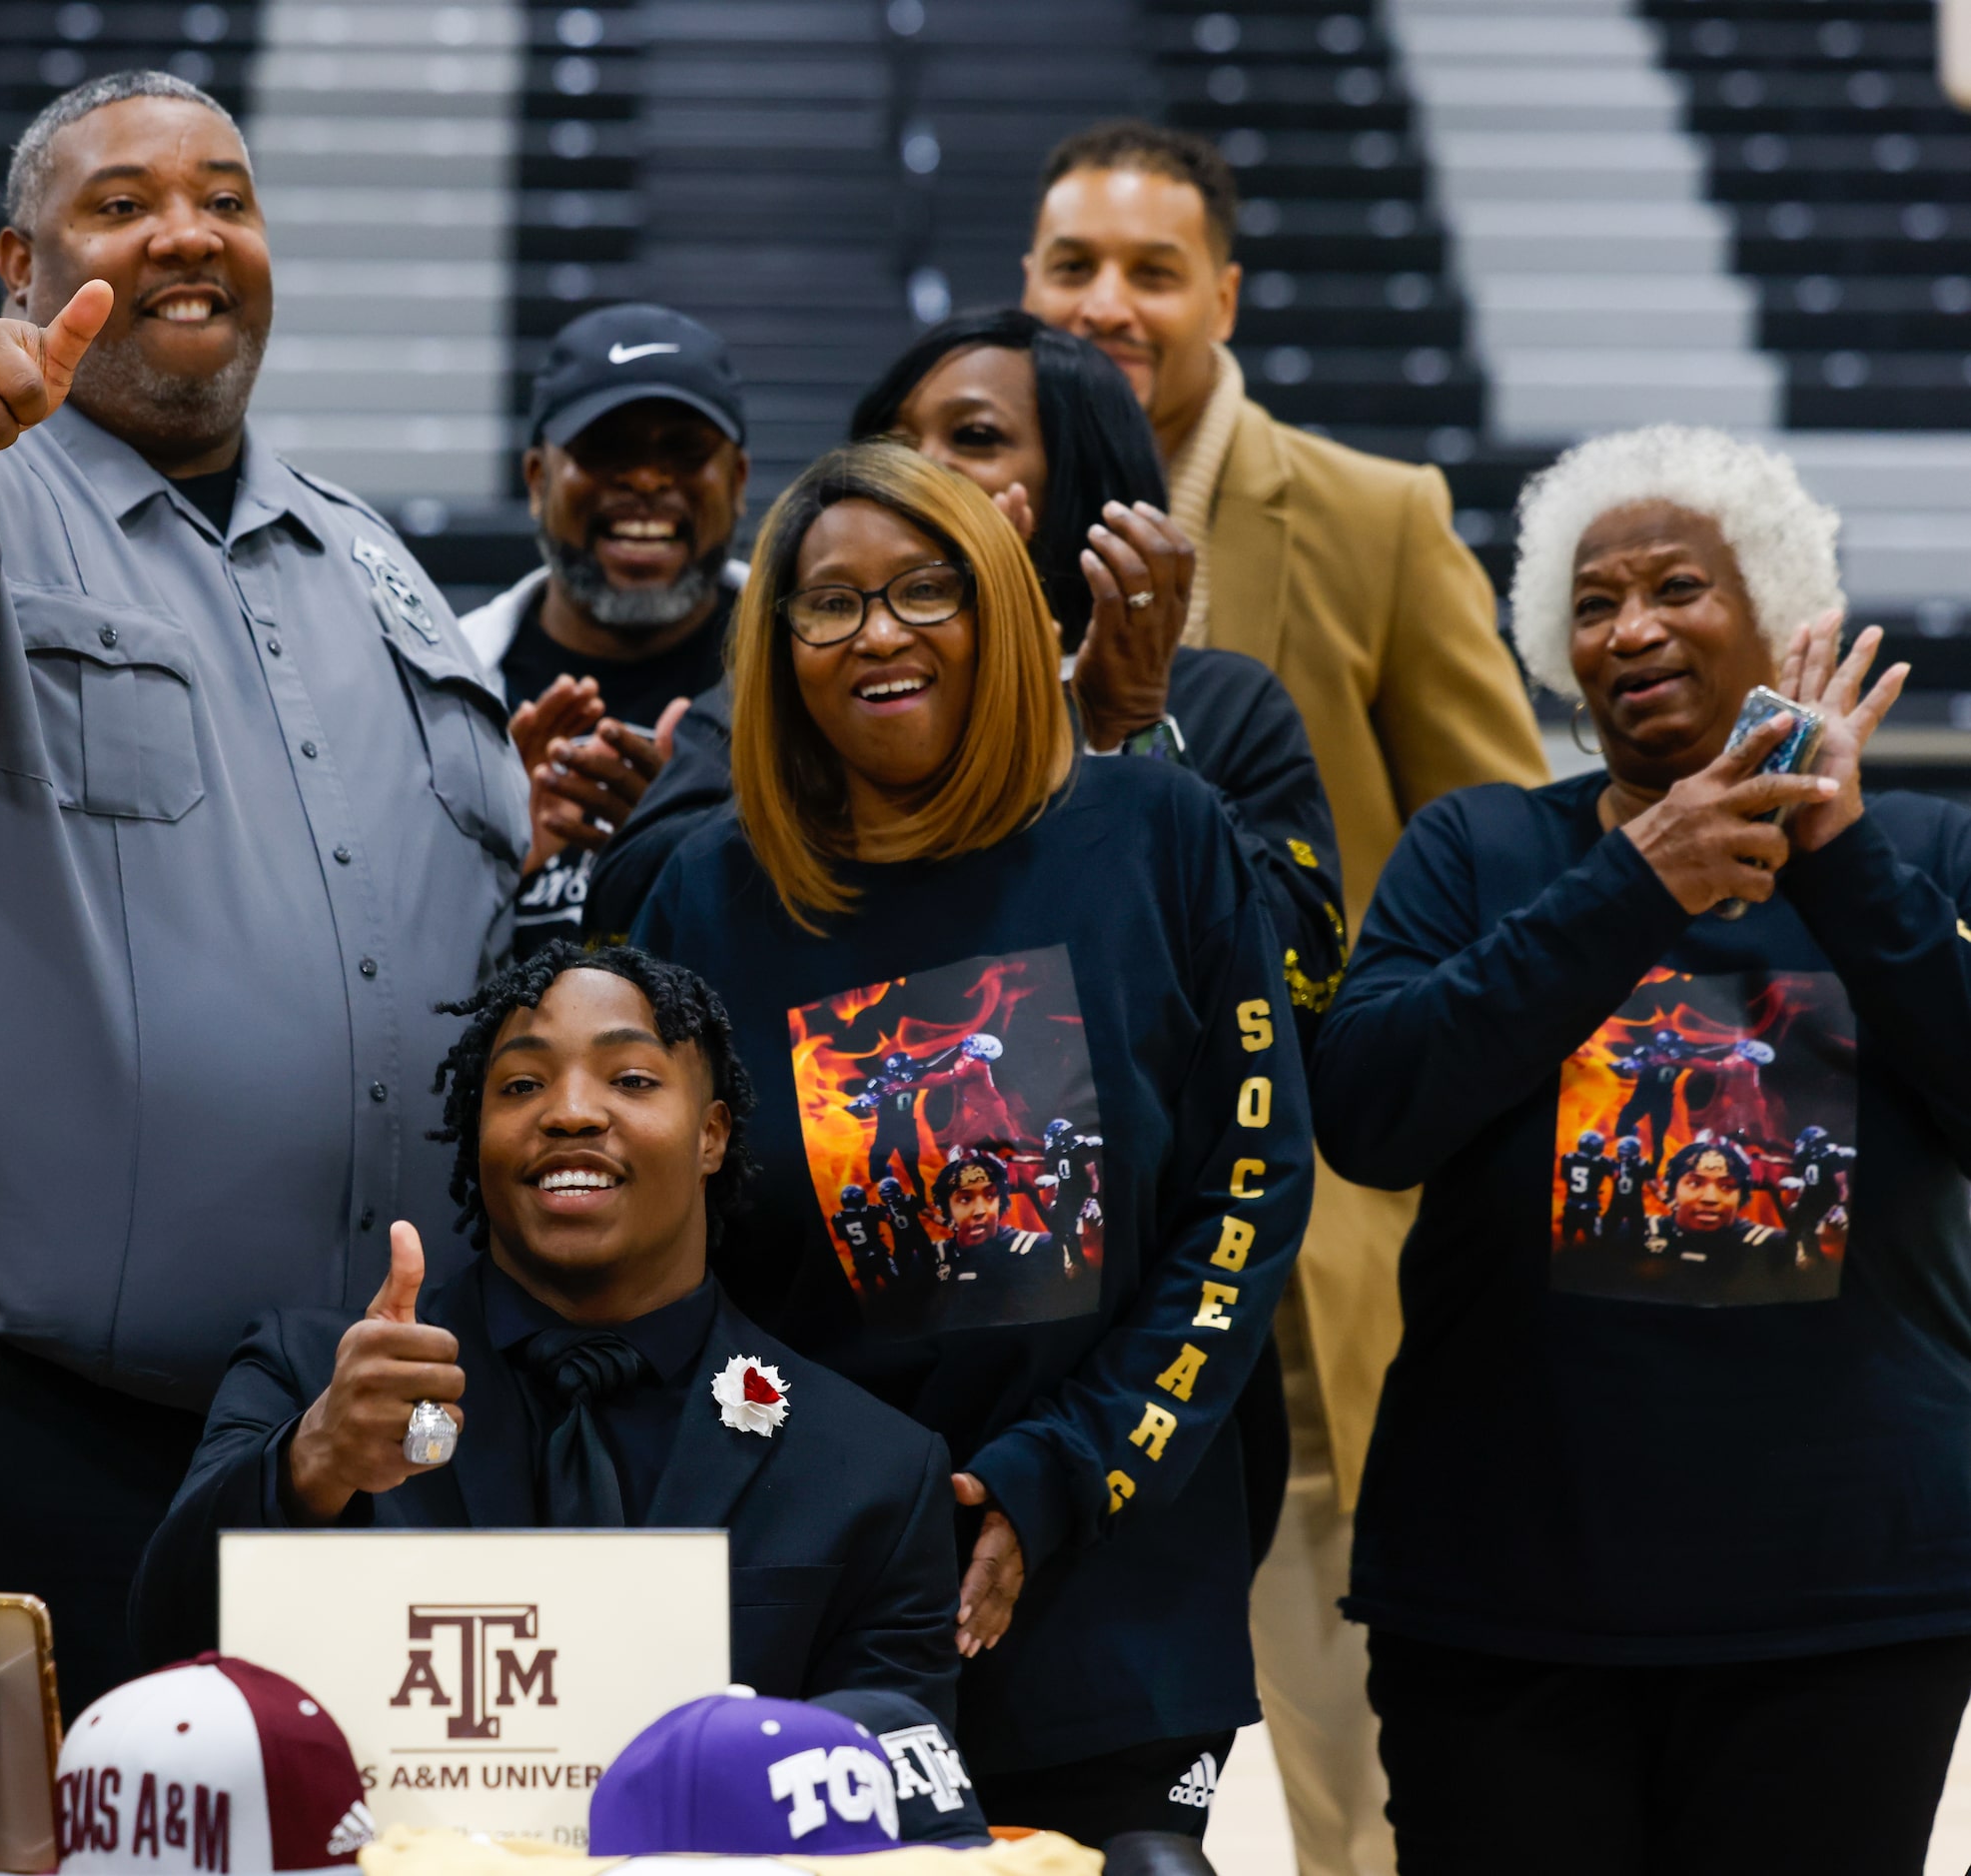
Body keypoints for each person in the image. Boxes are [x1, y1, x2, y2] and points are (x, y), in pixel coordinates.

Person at [0, 72, 527, 1709]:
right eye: (124, 202)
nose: (188, 234)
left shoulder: (374, 569)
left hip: (336, 1441)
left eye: (226, 198)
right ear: (20, 263)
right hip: (3, 1431)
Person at [631, 443, 1313, 1842]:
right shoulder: (705, 895)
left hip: (1117, 1589)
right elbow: (668, 1268)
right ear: (779, 646)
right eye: (829, 603)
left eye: (924, 588)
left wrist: (1053, 1472)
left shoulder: (1157, 832)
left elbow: (1244, 1191)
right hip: (816, 1593)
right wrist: (837, 1492)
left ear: (999, 606)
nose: (879, 631)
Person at [1313, 425, 1971, 1871]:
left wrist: (1838, 855)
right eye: (1594, 601)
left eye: (1676, 586)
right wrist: (1631, 881)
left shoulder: (1918, 855)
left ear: (1775, 611)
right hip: (1502, 1603)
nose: (1631, 627)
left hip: (1843, 1605)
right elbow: (1367, 1111)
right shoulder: (1475, 852)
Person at [1020, 119, 1551, 1874]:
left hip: (1317, 1249)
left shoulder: (1374, 517)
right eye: (1072, 266)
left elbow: (1505, 859)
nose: (1108, 302)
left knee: (1362, 1790)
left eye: (1150, 269)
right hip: (1038, 1264)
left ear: (1223, 293)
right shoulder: (941, 527)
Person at [135, 945, 959, 1719]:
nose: (569, 1112)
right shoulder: (307, 1378)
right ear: (476, 1136)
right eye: (522, 1085)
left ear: (711, 1136)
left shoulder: (871, 1470)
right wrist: (311, 1462)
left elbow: (892, 1815)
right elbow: (159, 1665)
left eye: (631, 1079)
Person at [589, 311, 1344, 1034]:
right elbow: (633, 918)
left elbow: (1295, 995)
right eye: (895, 442)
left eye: (975, 438)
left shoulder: (1224, 703)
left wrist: (1131, 730)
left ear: (1082, 474)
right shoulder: (823, 675)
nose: (923, 468)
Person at [460, 306, 751, 953]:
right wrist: (483, 873)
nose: (646, 478)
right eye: (606, 448)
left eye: (684, 448)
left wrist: (701, 851)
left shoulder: (820, 669)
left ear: (737, 481)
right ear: (537, 480)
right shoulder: (437, 681)